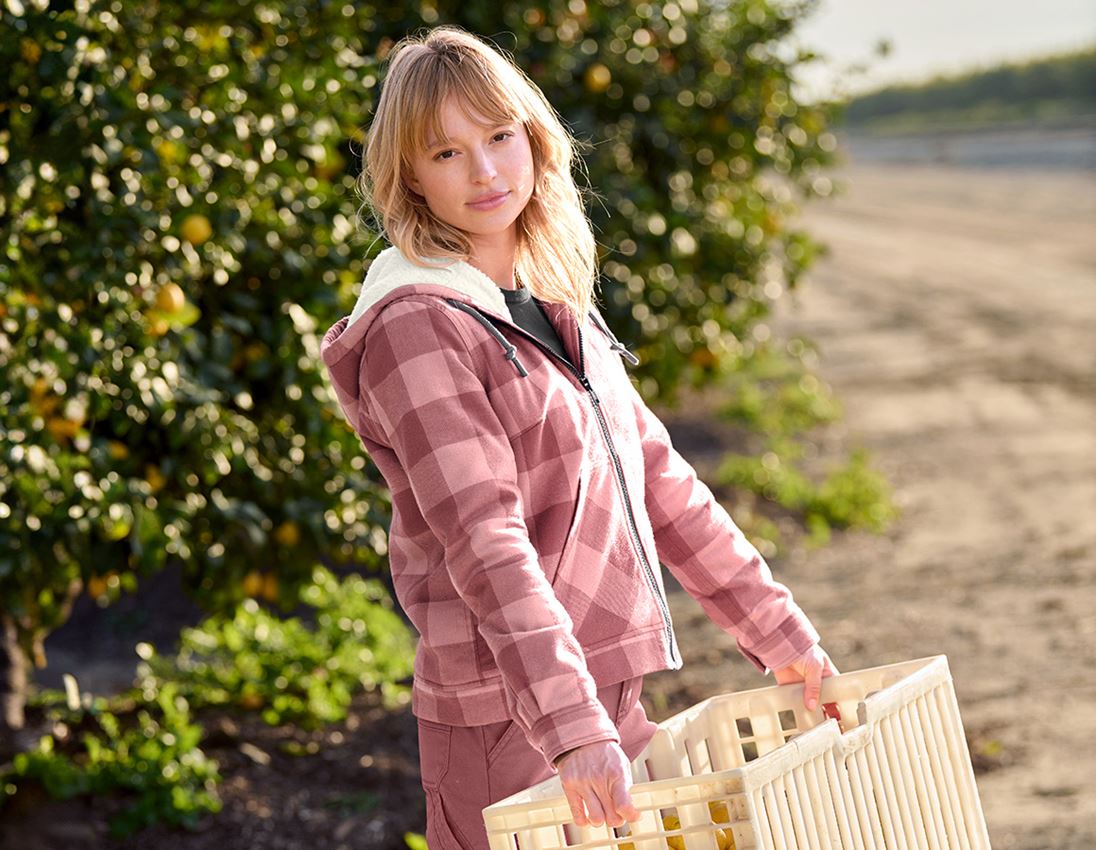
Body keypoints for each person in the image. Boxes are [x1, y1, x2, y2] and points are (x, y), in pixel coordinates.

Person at [320, 25, 838, 850]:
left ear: (533, 138)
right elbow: (483, 541)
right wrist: (569, 729)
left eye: (499, 137)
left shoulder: (553, 303)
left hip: (605, 701)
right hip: (510, 723)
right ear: (409, 175)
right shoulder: (415, 327)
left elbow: (662, 485)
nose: (486, 171)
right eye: (446, 153)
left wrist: (782, 638)